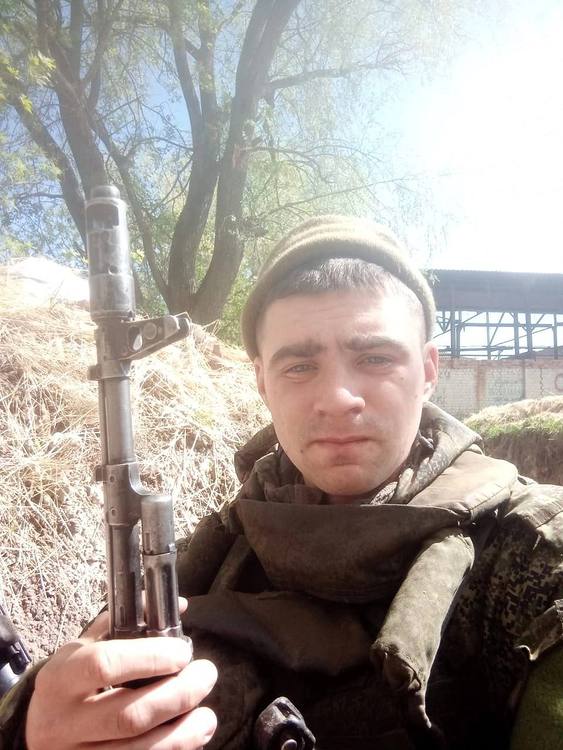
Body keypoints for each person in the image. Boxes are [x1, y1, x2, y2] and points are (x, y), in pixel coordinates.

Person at [1, 216, 562, 749]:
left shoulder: (529, 555)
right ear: (263, 382)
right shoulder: (213, 551)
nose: (338, 399)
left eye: (375, 358)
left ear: (429, 371)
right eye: (299, 367)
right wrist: (32, 727)